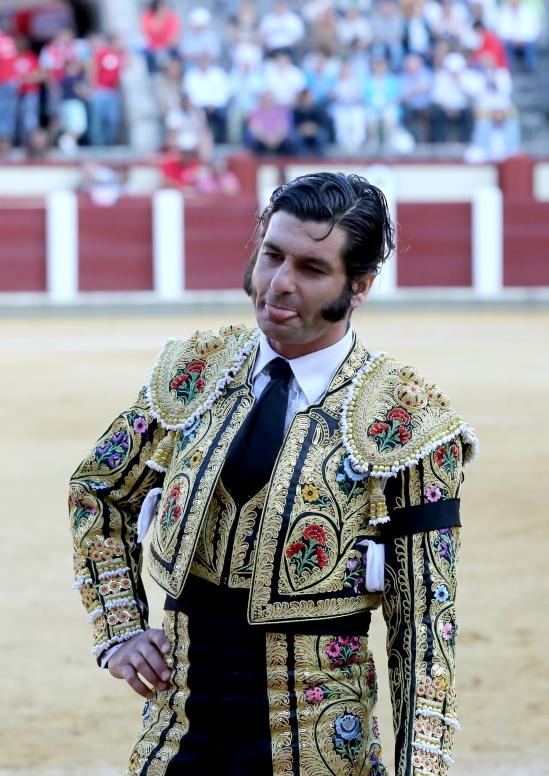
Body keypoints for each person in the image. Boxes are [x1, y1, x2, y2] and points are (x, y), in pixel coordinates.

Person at [69, 171, 478, 776]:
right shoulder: (196, 369)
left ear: (358, 286)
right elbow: (99, 489)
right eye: (272, 255)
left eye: (312, 270)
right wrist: (121, 628)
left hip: (318, 741)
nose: (279, 285)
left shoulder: (406, 417)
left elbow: (423, 625)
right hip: (180, 718)